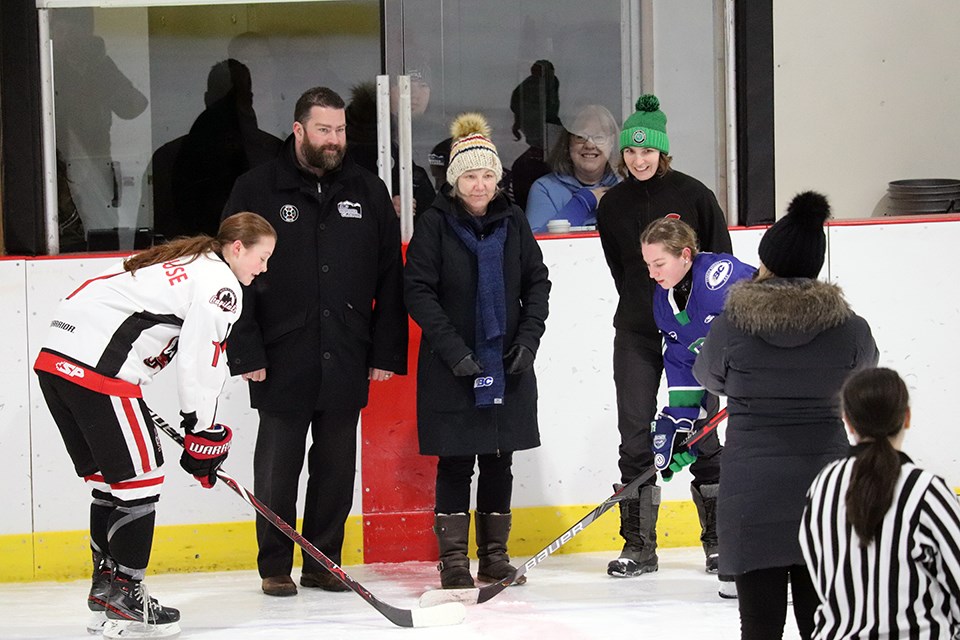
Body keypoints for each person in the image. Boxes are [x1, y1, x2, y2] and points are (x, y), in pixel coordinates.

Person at [33, 212, 276, 638]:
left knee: (116, 482)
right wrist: (204, 433)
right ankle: (126, 594)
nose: (264, 268)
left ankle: (107, 589)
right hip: (97, 373)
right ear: (237, 248)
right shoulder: (221, 285)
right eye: (262, 257)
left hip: (56, 361)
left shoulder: (180, 260)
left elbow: (93, 292)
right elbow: (202, 363)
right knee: (142, 478)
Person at [221, 86, 408, 598]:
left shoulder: (367, 191)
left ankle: (324, 563)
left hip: (348, 351)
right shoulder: (256, 188)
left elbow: (391, 276)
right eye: (324, 130)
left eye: (342, 130)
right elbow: (230, 275)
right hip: (280, 356)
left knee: (334, 469)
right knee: (278, 470)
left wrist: (385, 352)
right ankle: (275, 566)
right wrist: (246, 350)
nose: (335, 140)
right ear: (299, 130)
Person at [693, 191, 879, 640]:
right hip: (826, 487)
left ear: (768, 259)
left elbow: (708, 376)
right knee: (822, 622)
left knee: (760, 624)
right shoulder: (850, 327)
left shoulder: (733, 323)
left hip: (753, 487)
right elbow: (864, 374)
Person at [404, 112, 551, 589]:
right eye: (470, 174)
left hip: (507, 360)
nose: (480, 184)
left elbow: (537, 282)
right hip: (453, 365)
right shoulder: (434, 225)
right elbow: (419, 291)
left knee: (499, 457)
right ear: (453, 179)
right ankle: (452, 562)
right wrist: (453, 351)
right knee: (455, 459)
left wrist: (528, 341)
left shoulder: (514, 220)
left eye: (488, 174)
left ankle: (494, 557)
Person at [596, 94, 731, 579]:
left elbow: (721, 265)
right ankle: (639, 546)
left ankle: (718, 543)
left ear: (662, 150)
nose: (638, 160)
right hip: (635, 331)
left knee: (703, 435)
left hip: (693, 336)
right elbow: (622, 269)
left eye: (646, 151)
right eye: (630, 152)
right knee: (634, 435)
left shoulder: (695, 195)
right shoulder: (611, 205)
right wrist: (644, 306)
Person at [801, 367, 960, 640]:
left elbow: (820, 576)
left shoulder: (822, 485)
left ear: (848, 422)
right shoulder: (926, 490)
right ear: (906, 418)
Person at [640, 217, 755, 594]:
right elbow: (680, 358)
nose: (653, 273)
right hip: (741, 392)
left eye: (659, 264)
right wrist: (682, 420)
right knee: (738, 467)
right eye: (648, 266)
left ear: (686, 255)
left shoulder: (718, 275)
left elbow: (771, 301)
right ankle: (744, 561)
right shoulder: (664, 301)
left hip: (769, 384)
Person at [526, 104, 621, 233]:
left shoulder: (624, 186)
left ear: (611, 143)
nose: (589, 145)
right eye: (580, 137)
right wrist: (584, 202)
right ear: (568, 143)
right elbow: (536, 246)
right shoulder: (545, 189)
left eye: (599, 137)